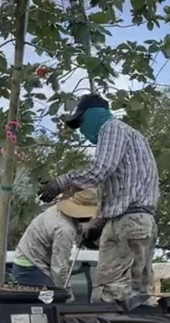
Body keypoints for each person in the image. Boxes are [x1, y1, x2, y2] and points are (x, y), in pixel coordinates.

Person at [38, 94, 159, 303]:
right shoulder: (132, 137)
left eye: (81, 122)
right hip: (136, 220)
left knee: (115, 294)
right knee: (136, 294)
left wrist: (61, 182)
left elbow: (99, 170)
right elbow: (122, 188)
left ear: (94, 114)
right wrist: (99, 224)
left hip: (129, 222)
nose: (82, 131)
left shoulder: (112, 129)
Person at [12, 188, 99, 290]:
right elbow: (59, 269)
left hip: (25, 259)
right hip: (31, 266)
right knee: (54, 300)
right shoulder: (65, 230)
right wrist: (66, 292)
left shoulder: (55, 210)